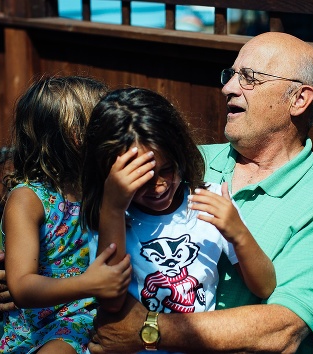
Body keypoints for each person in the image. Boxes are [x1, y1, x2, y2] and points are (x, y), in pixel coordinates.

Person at [0, 32, 313, 353]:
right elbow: (91, 186)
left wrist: (147, 329)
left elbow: (284, 331)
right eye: (230, 74)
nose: (228, 87)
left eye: (249, 77)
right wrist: (18, 267)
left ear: (298, 98)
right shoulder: (187, 160)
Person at [81, 87, 276, 351]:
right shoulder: (109, 216)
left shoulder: (210, 202)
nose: (159, 186)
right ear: (109, 172)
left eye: (167, 169)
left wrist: (238, 233)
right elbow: (112, 302)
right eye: (142, 178)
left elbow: (264, 286)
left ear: (180, 154)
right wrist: (113, 210)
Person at [0, 76, 132, 354]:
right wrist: (89, 284)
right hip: (45, 327)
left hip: (100, 318)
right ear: (75, 135)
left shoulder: (105, 187)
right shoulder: (29, 199)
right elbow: (21, 286)